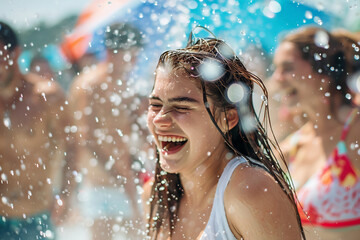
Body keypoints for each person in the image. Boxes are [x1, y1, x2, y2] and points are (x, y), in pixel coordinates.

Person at [142, 29, 306, 239]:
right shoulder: (155, 196)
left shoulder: (250, 191)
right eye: (155, 104)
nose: (159, 119)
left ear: (228, 119)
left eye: (181, 107)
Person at [272, 26, 360, 239]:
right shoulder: (290, 147)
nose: (277, 78)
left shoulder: (355, 131)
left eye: (287, 68)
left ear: (324, 71)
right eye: (276, 69)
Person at [0, 21, 77, 239]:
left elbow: (72, 148)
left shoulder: (47, 96)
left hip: (36, 217)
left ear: (15, 53)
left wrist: (66, 195)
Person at [68, 22, 146, 240]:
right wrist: (120, 178)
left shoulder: (125, 83)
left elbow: (135, 127)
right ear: (112, 52)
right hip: (100, 184)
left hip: (127, 181)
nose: (136, 61)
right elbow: (85, 139)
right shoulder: (88, 84)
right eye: (132, 55)